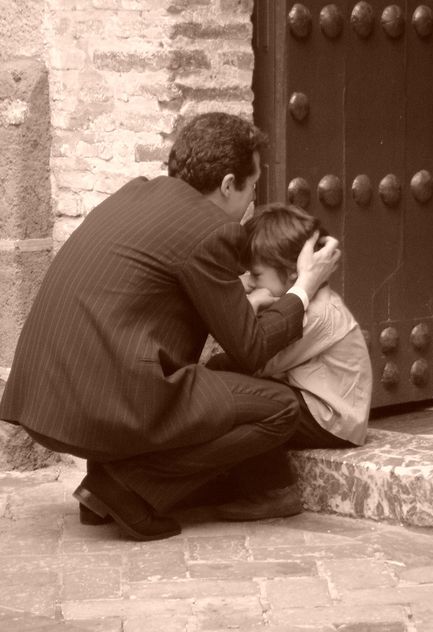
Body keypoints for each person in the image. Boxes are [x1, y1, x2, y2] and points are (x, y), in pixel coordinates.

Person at [0, 113, 340, 541]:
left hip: (45, 397)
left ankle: (104, 491)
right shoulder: (212, 230)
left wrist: (243, 301)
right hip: (108, 404)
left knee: (163, 371)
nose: (253, 200)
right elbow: (251, 350)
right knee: (279, 408)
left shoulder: (134, 194)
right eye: (253, 186)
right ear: (229, 184)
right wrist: (304, 288)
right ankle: (128, 489)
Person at [241, 202, 372, 451]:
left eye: (256, 275)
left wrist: (251, 306)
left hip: (332, 420)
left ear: (293, 272)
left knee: (242, 398)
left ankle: (274, 488)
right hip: (313, 406)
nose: (248, 282)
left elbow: (257, 363)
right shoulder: (307, 304)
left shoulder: (317, 314)